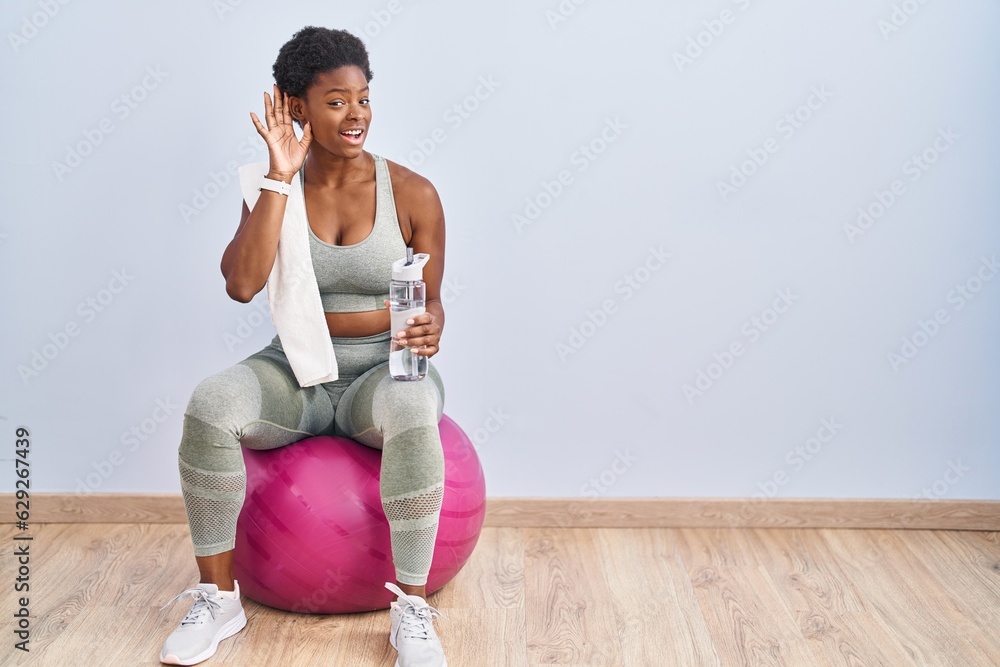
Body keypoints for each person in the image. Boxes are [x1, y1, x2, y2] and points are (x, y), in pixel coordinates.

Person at [159, 26, 450, 667]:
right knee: (210, 404)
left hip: (385, 370)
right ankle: (219, 599)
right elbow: (241, 284)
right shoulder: (271, 188)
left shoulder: (414, 193)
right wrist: (277, 179)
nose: (357, 116)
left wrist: (431, 323)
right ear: (296, 107)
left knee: (411, 410)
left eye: (364, 98)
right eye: (337, 100)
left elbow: (428, 301)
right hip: (295, 370)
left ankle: (412, 612)